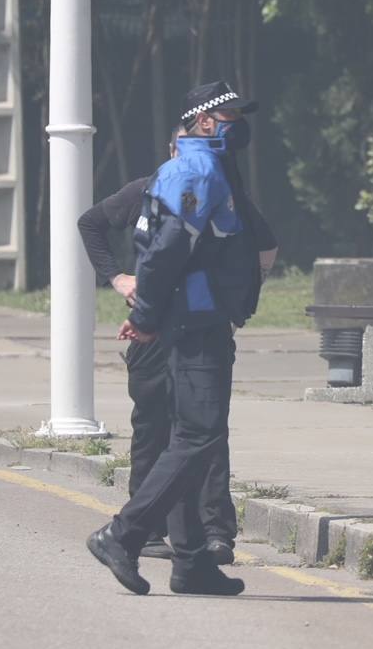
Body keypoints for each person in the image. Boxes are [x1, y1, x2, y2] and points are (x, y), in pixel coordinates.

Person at [86, 80, 263, 595]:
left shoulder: (195, 167)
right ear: (205, 122)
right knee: (198, 436)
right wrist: (144, 314)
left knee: (194, 437)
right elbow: (164, 251)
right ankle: (122, 534)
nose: (238, 122)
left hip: (191, 317)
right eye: (230, 114)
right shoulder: (197, 168)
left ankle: (190, 563)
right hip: (195, 321)